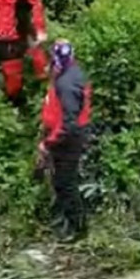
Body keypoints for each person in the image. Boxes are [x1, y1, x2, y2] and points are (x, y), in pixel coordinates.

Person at [38, 39, 92, 242]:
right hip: (67, 135)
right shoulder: (70, 74)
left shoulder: (66, 83)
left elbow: (69, 122)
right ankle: (66, 222)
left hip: (68, 139)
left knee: (65, 183)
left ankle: (77, 229)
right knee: (62, 181)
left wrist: (49, 143)